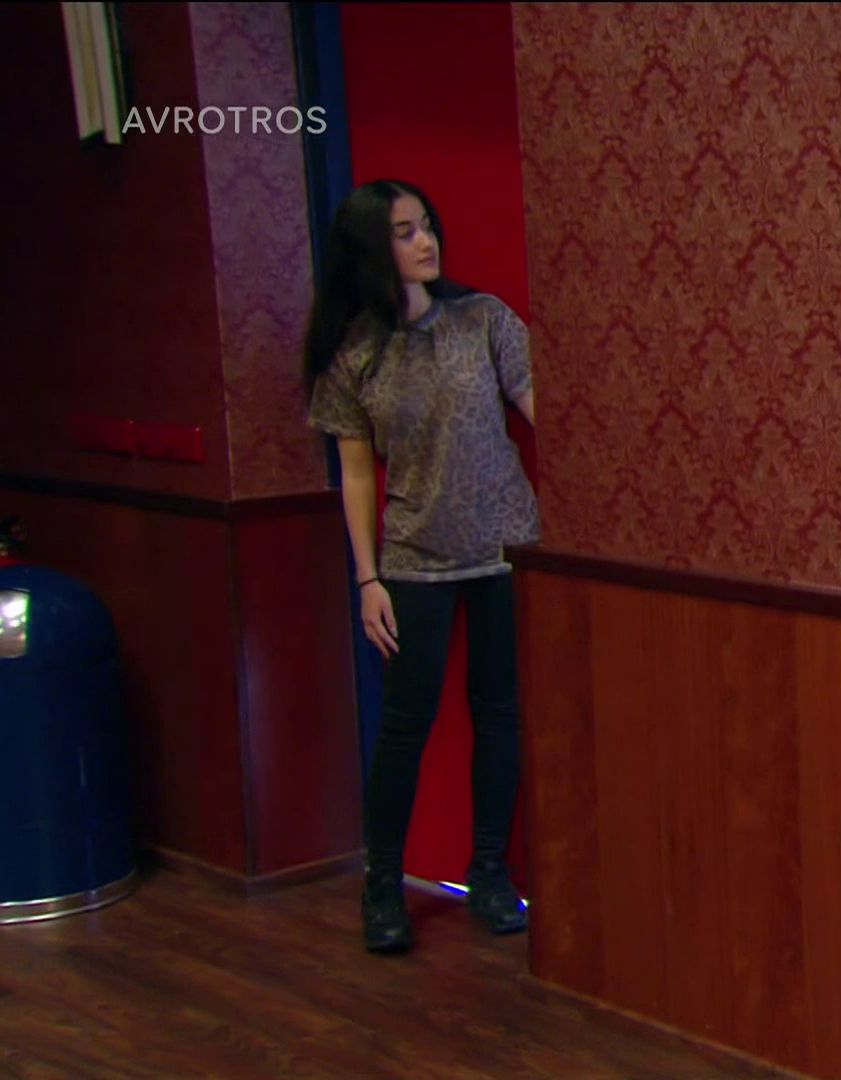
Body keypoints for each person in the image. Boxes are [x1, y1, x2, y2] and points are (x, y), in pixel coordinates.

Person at [303, 179, 540, 954]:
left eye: (427, 225)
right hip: (413, 557)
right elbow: (357, 472)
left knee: (500, 711)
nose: (425, 241)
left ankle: (490, 872)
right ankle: (382, 886)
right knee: (406, 725)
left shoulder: (483, 319)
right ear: (372, 249)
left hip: (505, 549)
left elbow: (540, 404)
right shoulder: (354, 354)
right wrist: (367, 578)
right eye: (405, 232)